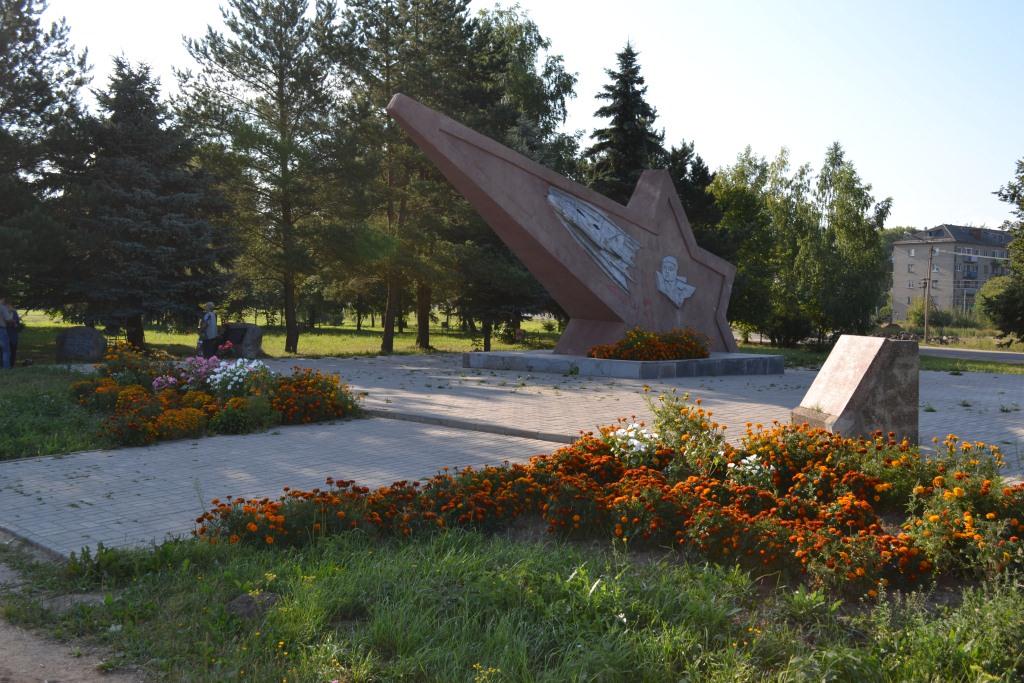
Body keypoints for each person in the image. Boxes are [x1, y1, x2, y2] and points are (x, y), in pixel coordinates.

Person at [0, 296, 13, 369]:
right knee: (6, 350)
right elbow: (8, 319)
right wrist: (11, 313)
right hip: (1, 329)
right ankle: (6, 368)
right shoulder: (2, 307)